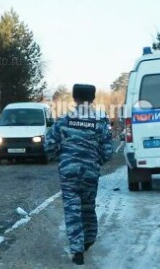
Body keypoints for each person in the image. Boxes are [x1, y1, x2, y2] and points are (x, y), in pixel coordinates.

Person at [44, 84, 114, 265]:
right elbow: (107, 151)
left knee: (72, 207)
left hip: (69, 171)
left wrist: (60, 157)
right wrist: (94, 162)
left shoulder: (63, 120)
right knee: (88, 206)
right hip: (90, 171)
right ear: (92, 99)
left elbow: (49, 147)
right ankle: (89, 239)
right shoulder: (100, 122)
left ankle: (77, 250)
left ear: (74, 99)